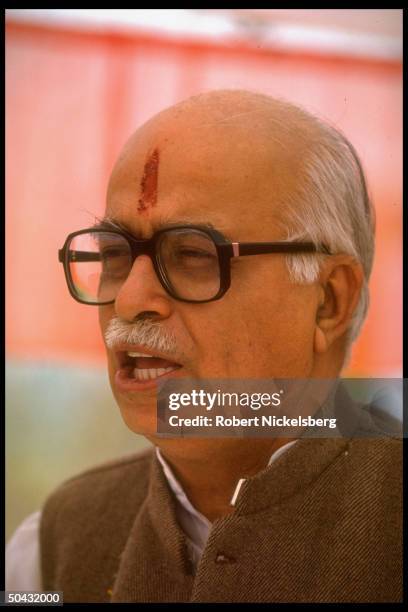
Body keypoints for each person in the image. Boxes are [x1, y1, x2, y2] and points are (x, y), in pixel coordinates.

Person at [6, 90, 402, 603]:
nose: (129, 301)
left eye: (192, 253)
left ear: (328, 300)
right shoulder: (55, 542)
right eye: (115, 254)